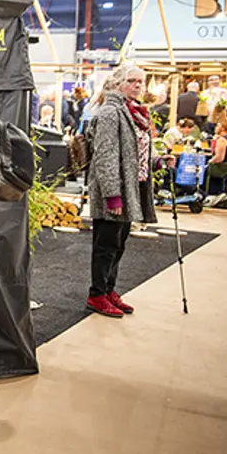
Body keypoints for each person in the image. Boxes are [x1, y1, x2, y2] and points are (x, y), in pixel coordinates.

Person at [86, 65, 156, 318]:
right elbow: (105, 156)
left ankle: (108, 289)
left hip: (131, 188)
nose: (137, 85)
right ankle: (97, 294)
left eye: (141, 81)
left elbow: (136, 149)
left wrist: (158, 160)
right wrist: (112, 195)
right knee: (106, 245)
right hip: (113, 189)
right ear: (118, 83)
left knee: (119, 243)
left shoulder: (134, 112)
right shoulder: (110, 112)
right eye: (132, 80)